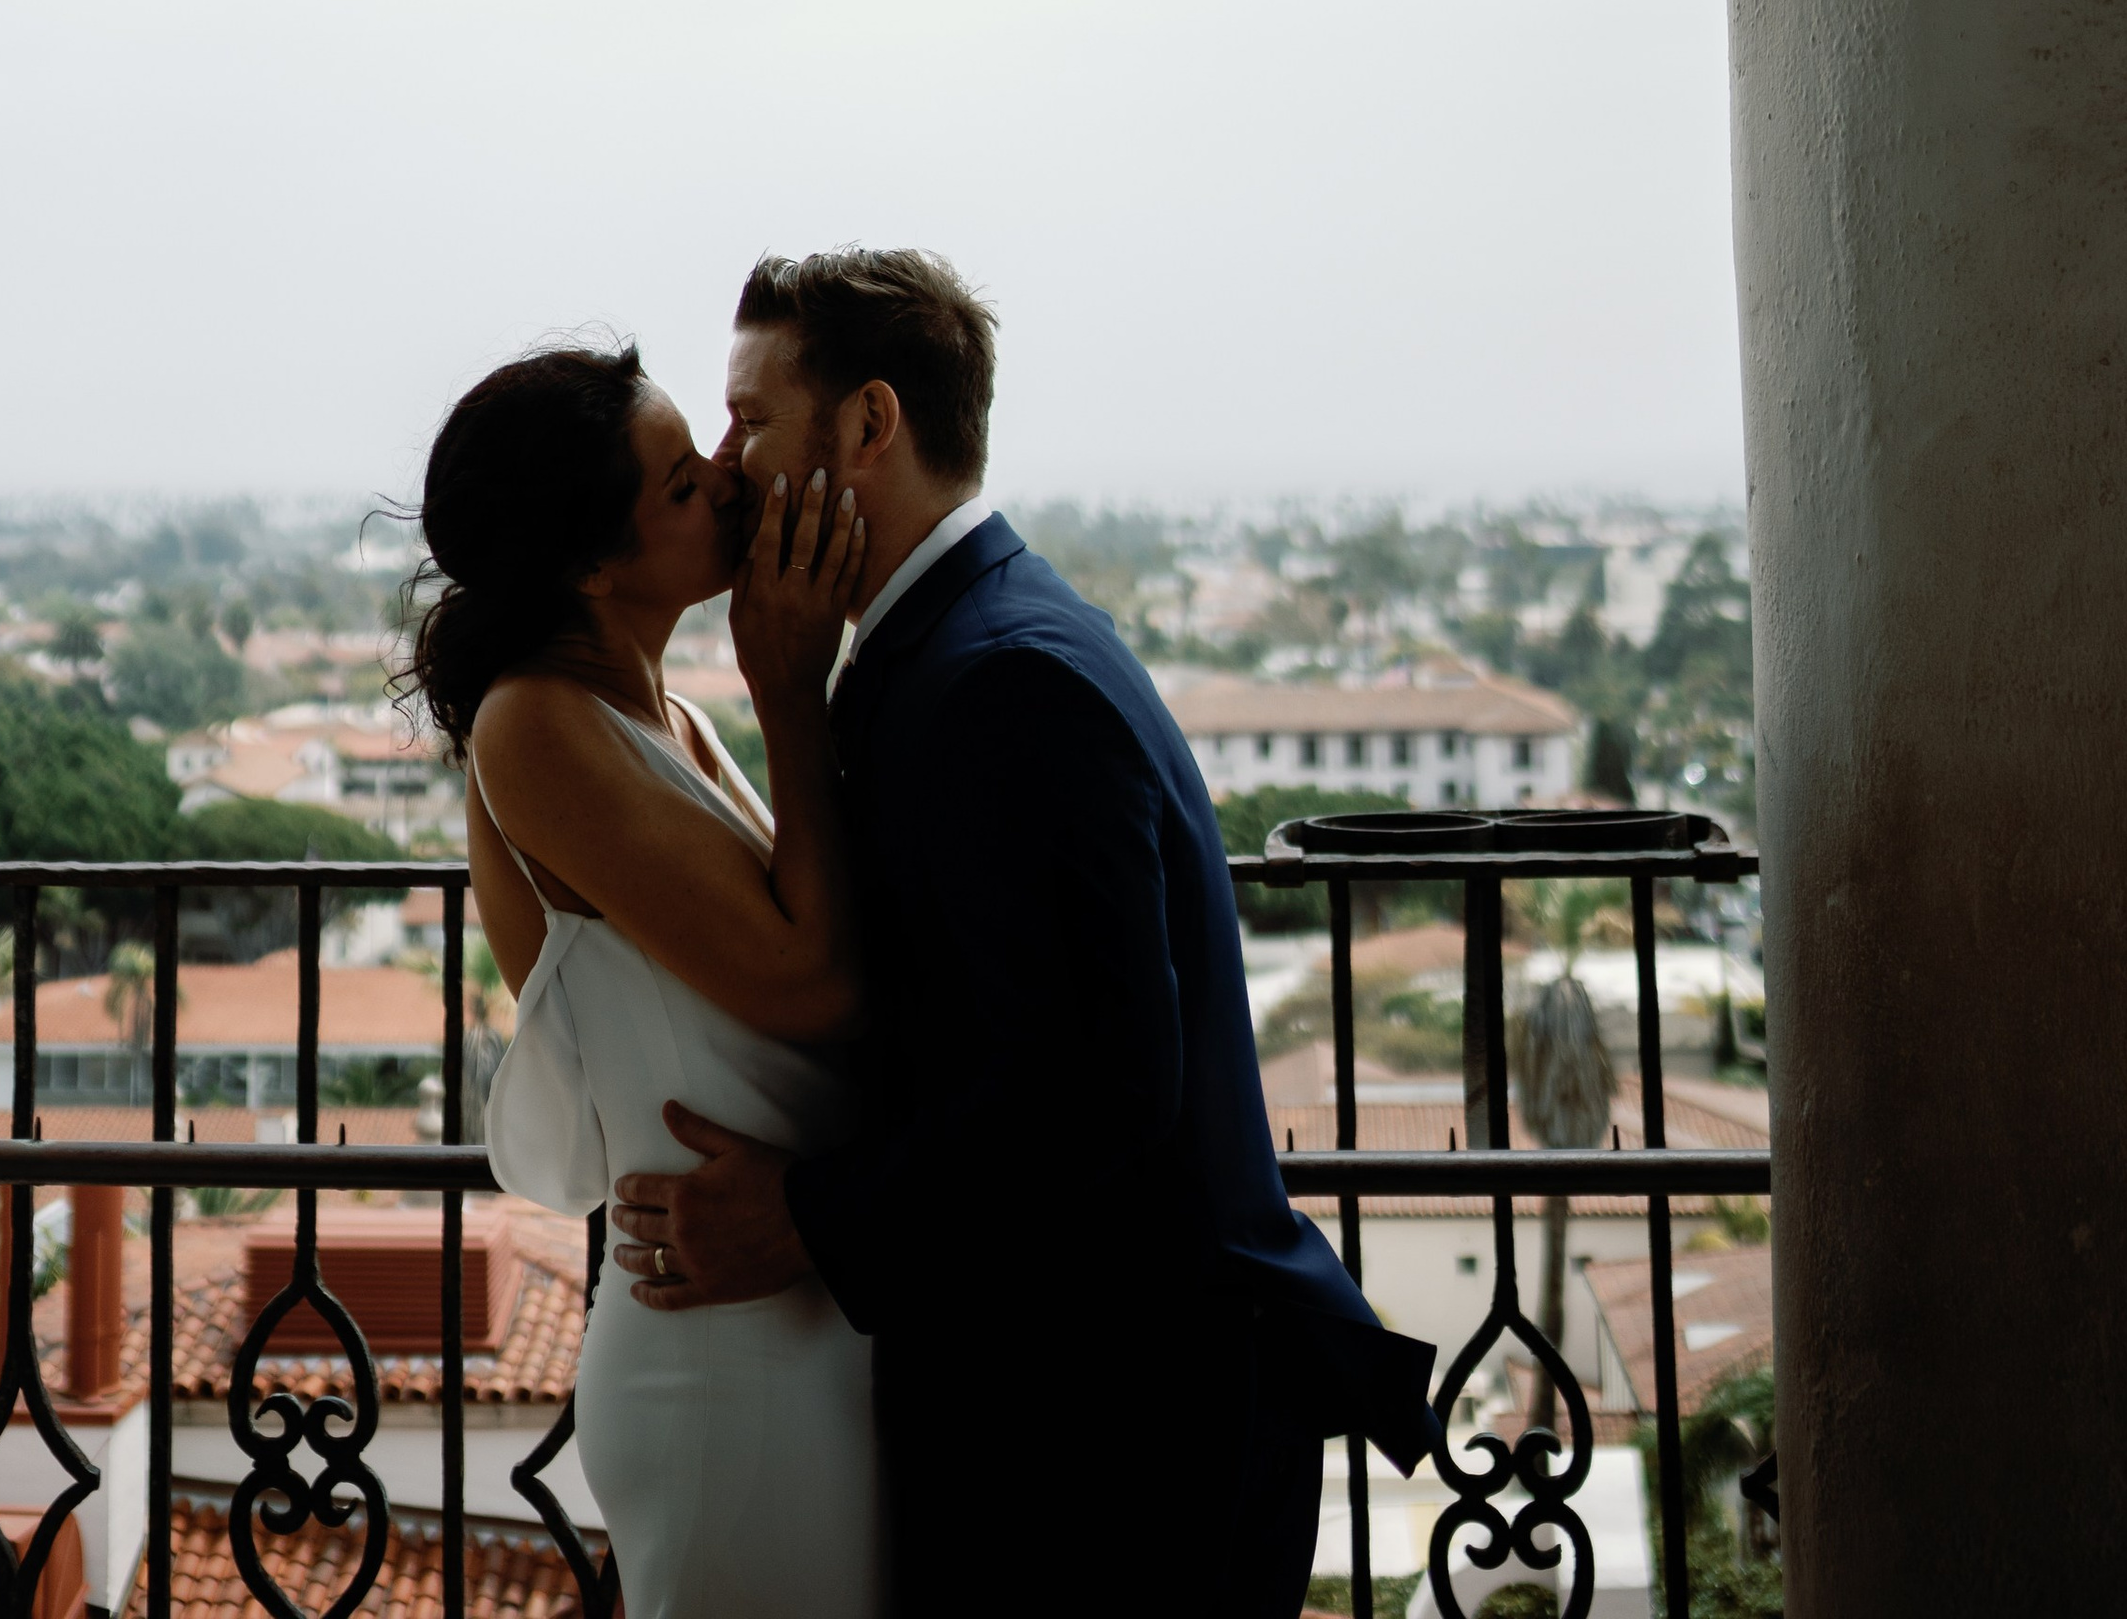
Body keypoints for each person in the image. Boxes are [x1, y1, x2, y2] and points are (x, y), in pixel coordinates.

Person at [608, 248, 1434, 1617]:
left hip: (1118, 1438)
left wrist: (806, 1220)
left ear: (870, 425)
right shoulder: (961, 639)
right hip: (1092, 1411)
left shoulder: (1002, 684)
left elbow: (1092, 1088)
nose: (726, 460)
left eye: (751, 418)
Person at [410, 339, 884, 1619]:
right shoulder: (534, 723)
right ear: (590, 562)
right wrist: (791, 684)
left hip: (792, 1307)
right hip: (723, 1354)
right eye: (682, 483)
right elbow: (815, 982)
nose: (729, 479)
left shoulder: (671, 722)